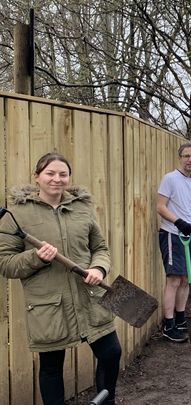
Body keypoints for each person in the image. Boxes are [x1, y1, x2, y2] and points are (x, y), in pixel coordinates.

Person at [0, 152, 122, 405]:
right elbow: (6, 264)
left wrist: (99, 269)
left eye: (62, 174)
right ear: (37, 177)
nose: (57, 179)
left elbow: (100, 248)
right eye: (50, 173)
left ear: (69, 178)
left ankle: (106, 401)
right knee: (52, 367)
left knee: (111, 353)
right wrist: (36, 257)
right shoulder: (18, 215)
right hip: (50, 304)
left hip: (90, 297)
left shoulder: (82, 209)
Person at [157, 143, 191, 342]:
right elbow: (160, 207)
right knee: (174, 280)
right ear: (179, 158)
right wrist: (178, 222)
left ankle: (181, 319)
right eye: (186, 156)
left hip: (188, 237)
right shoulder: (170, 179)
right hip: (172, 235)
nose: (190, 159)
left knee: (186, 279)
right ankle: (168, 325)